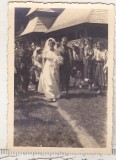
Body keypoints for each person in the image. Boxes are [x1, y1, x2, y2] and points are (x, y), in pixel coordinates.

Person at [38, 38, 63, 102]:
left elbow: (58, 58)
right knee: (49, 81)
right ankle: (50, 96)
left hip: (54, 66)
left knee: (54, 80)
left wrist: (59, 61)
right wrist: (42, 67)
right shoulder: (46, 51)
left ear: (54, 44)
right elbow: (43, 60)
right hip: (47, 66)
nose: (51, 45)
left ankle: (55, 94)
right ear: (48, 44)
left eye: (52, 44)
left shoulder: (56, 51)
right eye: (50, 44)